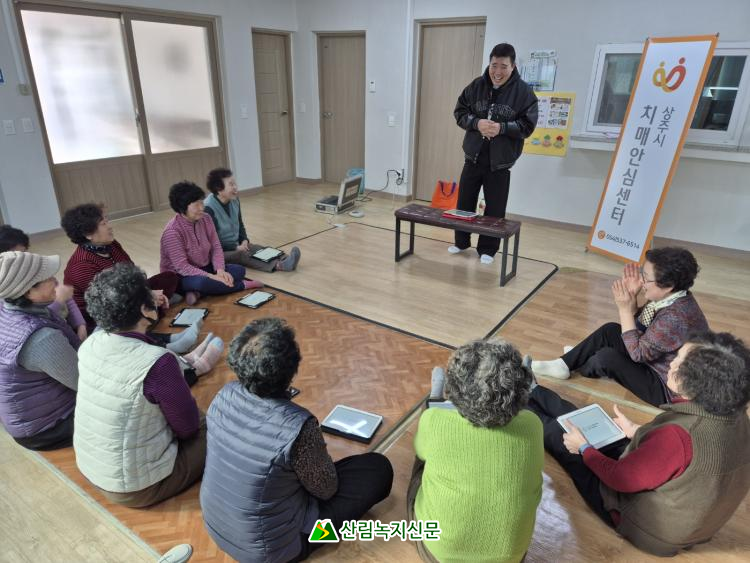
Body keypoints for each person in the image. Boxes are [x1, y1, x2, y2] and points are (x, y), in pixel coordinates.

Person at [526, 331, 750, 557]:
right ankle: (532, 389)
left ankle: (518, 401)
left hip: (649, 528)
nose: (671, 363)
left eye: (679, 361)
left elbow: (621, 479)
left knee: (560, 436)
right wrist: (636, 430)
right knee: (589, 423)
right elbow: (684, 459)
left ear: (697, 382)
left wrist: (584, 449)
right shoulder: (736, 416)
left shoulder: (679, 435)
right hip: (688, 518)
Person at [200, 318, 393, 562]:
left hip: (217, 527)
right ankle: (318, 537)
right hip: (278, 550)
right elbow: (327, 490)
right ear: (291, 369)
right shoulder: (298, 426)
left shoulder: (223, 395)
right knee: (377, 468)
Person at [74, 263, 212, 507]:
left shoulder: (90, 345)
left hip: (93, 468)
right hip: (138, 487)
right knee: (215, 426)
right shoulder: (158, 362)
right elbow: (188, 428)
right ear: (143, 309)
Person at [407, 340, 543, 562]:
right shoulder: (533, 425)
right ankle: (522, 392)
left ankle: (434, 399)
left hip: (439, 554)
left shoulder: (434, 421)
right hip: (510, 557)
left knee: (423, 459)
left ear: (454, 390)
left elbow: (421, 452)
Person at [531, 247, 708, 407]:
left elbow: (637, 354)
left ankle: (580, 361)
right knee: (610, 329)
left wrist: (624, 310)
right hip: (653, 359)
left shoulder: (675, 317)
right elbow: (643, 328)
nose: (641, 281)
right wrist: (632, 299)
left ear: (668, 286)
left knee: (606, 357)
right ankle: (567, 362)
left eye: (646, 278)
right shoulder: (671, 298)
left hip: (665, 386)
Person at [60, 204, 199, 348]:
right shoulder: (81, 265)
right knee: (129, 317)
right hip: (102, 315)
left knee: (169, 277)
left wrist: (147, 293)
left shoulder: (111, 245)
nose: (110, 226)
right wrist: (146, 298)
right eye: (103, 224)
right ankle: (166, 342)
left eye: (107, 221)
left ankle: (155, 311)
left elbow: (133, 273)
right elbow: (110, 303)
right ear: (88, 234)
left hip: (124, 296)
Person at [450, 43, 538, 265]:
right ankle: (461, 242)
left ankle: (488, 248)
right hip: (473, 156)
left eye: (503, 66)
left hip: (500, 162)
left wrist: (502, 128)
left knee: (495, 208)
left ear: (513, 66)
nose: (497, 72)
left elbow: (528, 126)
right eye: (494, 65)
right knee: (464, 202)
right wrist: (476, 123)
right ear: (489, 64)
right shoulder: (476, 86)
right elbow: (460, 112)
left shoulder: (524, 93)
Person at [0, 251, 80, 450]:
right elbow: (85, 382)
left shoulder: (7, 308)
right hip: (48, 427)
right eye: (48, 278)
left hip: (25, 419)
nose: (55, 281)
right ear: (28, 292)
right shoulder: (41, 339)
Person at [160, 181, 262, 305]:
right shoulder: (172, 232)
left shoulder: (206, 218)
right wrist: (211, 276)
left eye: (201, 203)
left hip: (205, 267)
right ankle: (242, 285)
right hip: (181, 276)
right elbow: (182, 267)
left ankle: (198, 293)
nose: (201, 208)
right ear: (182, 207)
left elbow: (216, 247)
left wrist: (220, 270)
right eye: (196, 205)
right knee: (201, 283)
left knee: (239, 270)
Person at [204, 167, 301, 273]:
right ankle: (280, 265)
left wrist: (244, 240)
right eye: (231, 184)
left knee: (255, 248)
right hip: (219, 252)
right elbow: (212, 242)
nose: (235, 187)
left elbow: (240, 224)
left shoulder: (234, 200)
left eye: (235, 183)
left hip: (236, 244)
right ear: (219, 189)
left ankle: (286, 258)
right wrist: (236, 247)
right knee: (242, 254)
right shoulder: (208, 208)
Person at [1, 224, 87, 341]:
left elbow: (67, 297)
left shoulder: (36, 271)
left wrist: (80, 324)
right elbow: (35, 319)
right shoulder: (7, 293)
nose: (26, 258)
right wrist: (58, 300)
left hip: (64, 327)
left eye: (25, 252)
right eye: (18, 255)